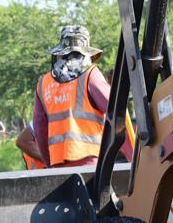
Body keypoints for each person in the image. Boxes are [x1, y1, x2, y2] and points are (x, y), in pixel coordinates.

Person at [15, 25, 131, 169]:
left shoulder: (43, 84)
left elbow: (40, 131)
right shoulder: (90, 75)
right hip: (90, 164)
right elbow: (117, 110)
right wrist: (133, 156)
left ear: (60, 53)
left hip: (58, 167)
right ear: (86, 53)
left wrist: (50, 163)